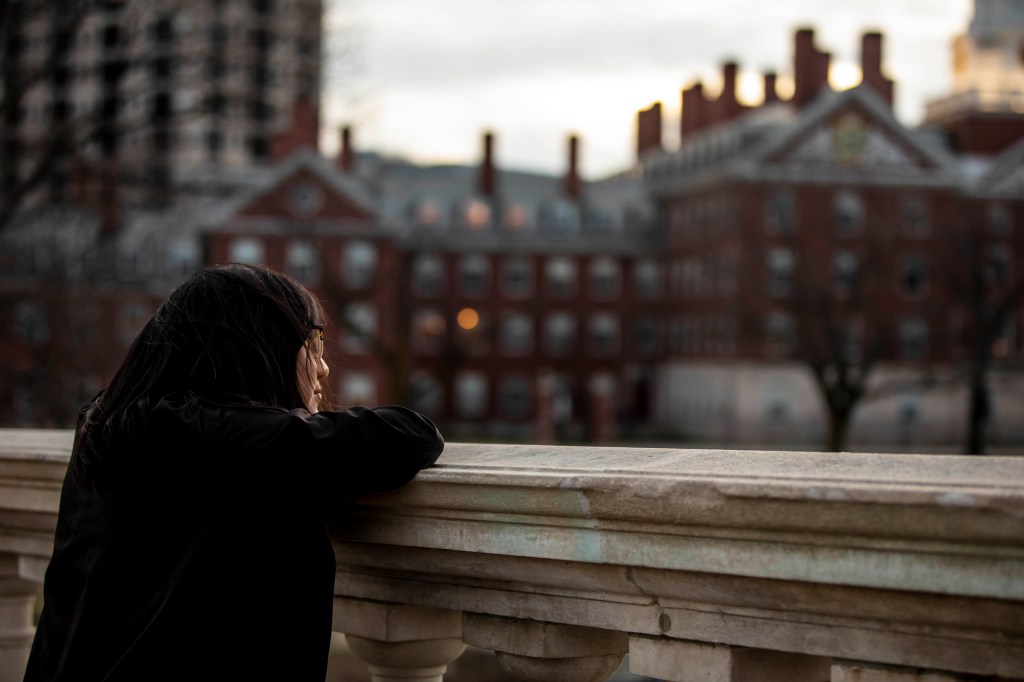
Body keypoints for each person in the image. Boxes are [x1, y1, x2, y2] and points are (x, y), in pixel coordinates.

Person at [24, 264, 444, 681]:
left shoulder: (106, 427)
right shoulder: (221, 440)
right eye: (312, 341)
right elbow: (410, 437)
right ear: (256, 346)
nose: (324, 368)